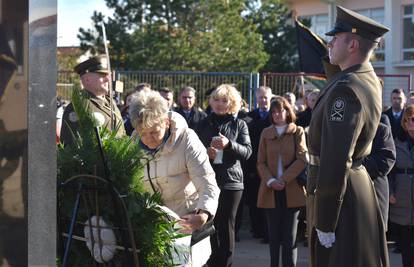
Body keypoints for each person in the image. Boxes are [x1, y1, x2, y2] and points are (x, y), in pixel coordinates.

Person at [306, 6, 390, 267]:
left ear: (352, 44)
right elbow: (337, 77)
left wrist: (326, 220)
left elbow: (336, 157)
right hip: (354, 188)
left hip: (342, 198)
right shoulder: (363, 78)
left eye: (335, 38)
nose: (329, 43)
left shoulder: (346, 91)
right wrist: (331, 56)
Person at [128, 89, 220, 267]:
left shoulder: (187, 140)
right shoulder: (132, 144)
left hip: (187, 225)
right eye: (143, 133)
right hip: (154, 229)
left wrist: (203, 214)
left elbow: (207, 182)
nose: (148, 139)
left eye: (154, 132)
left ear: (166, 122)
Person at [197, 84, 252, 267]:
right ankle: (211, 263)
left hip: (231, 182)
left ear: (232, 103)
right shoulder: (202, 124)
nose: (220, 104)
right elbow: (192, 153)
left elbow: (248, 152)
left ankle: (225, 264)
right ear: (211, 101)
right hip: (207, 180)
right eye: (216, 99)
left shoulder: (240, 124)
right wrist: (206, 153)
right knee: (209, 224)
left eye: (224, 100)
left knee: (226, 225)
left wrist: (229, 145)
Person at [256, 96, 307, 267]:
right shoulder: (266, 133)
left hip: (292, 189)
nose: (278, 114)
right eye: (274, 111)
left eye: (281, 110)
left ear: (288, 111)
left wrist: (283, 180)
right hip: (271, 189)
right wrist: (271, 180)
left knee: (289, 237)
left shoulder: (297, 131)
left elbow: (302, 159)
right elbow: (260, 162)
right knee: (274, 236)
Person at [60, 55, 126, 145]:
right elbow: (70, 145)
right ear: (87, 80)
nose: (108, 79)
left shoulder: (111, 103)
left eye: (108, 75)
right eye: (103, 75)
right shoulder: (78, 106)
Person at [245, 86, 273, 242]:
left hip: (272, 165)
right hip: (254, 165)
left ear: (270, 97)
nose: (263, 100)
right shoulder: (250, 118)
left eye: (266, 97)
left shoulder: (275, 116)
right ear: (256, 99)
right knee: (255, 200)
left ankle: (268, 232)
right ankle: (257, 230)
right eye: (260, 97)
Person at [389, 105, 414, 267]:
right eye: (406, 120)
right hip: (402, 197)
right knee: (405, 246)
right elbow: (389, 170)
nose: (410, 123)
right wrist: (390, 192)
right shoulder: (396, 141)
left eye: (413, 119)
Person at [362, 114, 396, 229]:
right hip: (350, 197)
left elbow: (385, 162)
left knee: (375, 237)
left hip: (375, 191)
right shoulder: (345, 129)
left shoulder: (381, 130)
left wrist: (355, 163)